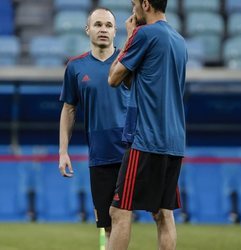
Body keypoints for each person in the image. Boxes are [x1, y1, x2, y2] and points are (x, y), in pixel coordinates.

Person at [108, 0, 188, 250]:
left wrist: (130, 35)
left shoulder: (144, 34)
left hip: (147, 139)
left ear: (146, 4)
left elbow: (113, 77)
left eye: (134, 4)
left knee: (119, 212)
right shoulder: (179, 41)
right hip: (174, 141)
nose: (132, 10)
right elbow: (140, 83)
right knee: (163, 213)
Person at [58, 8, 129, 249]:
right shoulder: (75, 67)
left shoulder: (128, 63)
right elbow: (69, 109)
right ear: (88, 29)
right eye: (98, 24)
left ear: (115, 31)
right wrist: (63, 152)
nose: (103, 30)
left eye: (108, 25)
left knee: (130, 216)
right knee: (109, 224)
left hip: (131, 153)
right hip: (99, 156)